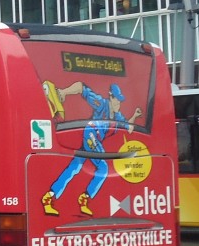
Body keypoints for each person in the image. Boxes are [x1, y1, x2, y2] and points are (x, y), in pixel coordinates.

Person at [41, 81, 141, 216]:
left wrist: (135, 115)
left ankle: (49, 197)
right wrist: (63, 92)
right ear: (111, 97)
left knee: (74, 168)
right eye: (117, 100)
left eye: (120, 100)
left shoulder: (118, 117)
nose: (119, 103)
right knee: (104, 168)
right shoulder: (101, 103)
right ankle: (85, 199)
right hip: (90, 133)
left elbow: (129, 128)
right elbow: (81, 87)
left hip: (93, 140)